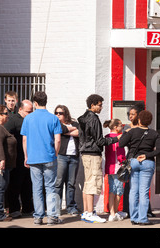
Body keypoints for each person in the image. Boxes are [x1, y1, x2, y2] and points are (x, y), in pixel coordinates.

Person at [21, 91, 63, 226]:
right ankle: (51, 216)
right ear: (46, 101)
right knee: (50, 187)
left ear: (35, 103)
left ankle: (38, 217)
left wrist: (26, 156)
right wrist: (55, 154)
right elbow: (57, 140)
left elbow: (24, 139)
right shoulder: (53, 118)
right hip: (49, 156)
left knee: (37, 188)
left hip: (34, 157)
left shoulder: (28, 118)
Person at [78, 94, 121, 223]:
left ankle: (86, 212)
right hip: (93, 154)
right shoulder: (94, 119)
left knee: (87, 182)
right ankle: (90, 213)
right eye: (100, 105)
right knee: (92, 183)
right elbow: (100, 141)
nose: (101, 107)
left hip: (85, 153)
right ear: (93, 105)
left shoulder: (82, 118)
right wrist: (115, 138)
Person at [119, 110, 160, 225]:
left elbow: (121, 144)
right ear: (150, 121)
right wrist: (147, 155)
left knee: (134, 190)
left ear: (139, 120)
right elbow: (159, 149)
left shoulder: (132, 131)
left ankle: (134, 217)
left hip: (134, 161)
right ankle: (143, 218)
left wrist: (126, 132)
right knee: (144, 191)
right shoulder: (154, 133)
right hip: (147, 162)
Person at [4, 99, 34, 218]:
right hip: (17, 157)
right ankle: (14, 209)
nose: (30, 114)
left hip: (29, 156)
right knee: (15, 184)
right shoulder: (13, 120)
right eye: (28, 111)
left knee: (27, 184)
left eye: (32, 111)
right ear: (20, 109)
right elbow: (4, 134)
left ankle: (27, 208)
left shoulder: (31, 120)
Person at [54, 105, 80, 216]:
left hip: (74, 156)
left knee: (71, 183)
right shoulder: (56, 124)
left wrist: (67, 131)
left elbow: (79, 133)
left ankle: (70, 207)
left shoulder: (75, 124)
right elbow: (59, 131)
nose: (58, 115)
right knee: (59, 182)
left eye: (60, 113)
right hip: (61, 156)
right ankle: (56, 208)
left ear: (66, 114)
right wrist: (68, 130)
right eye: (56, 113)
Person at [103, 118, 126, 222]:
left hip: (110, 167)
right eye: (121, 125)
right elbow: (120, 155)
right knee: (119, 191)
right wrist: (124, 163)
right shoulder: (119, 138)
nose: (122, 127)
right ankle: (115, 213)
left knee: (112, 190)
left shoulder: (107, 137)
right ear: (116, 127)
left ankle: (112, 213)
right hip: (118, 168)